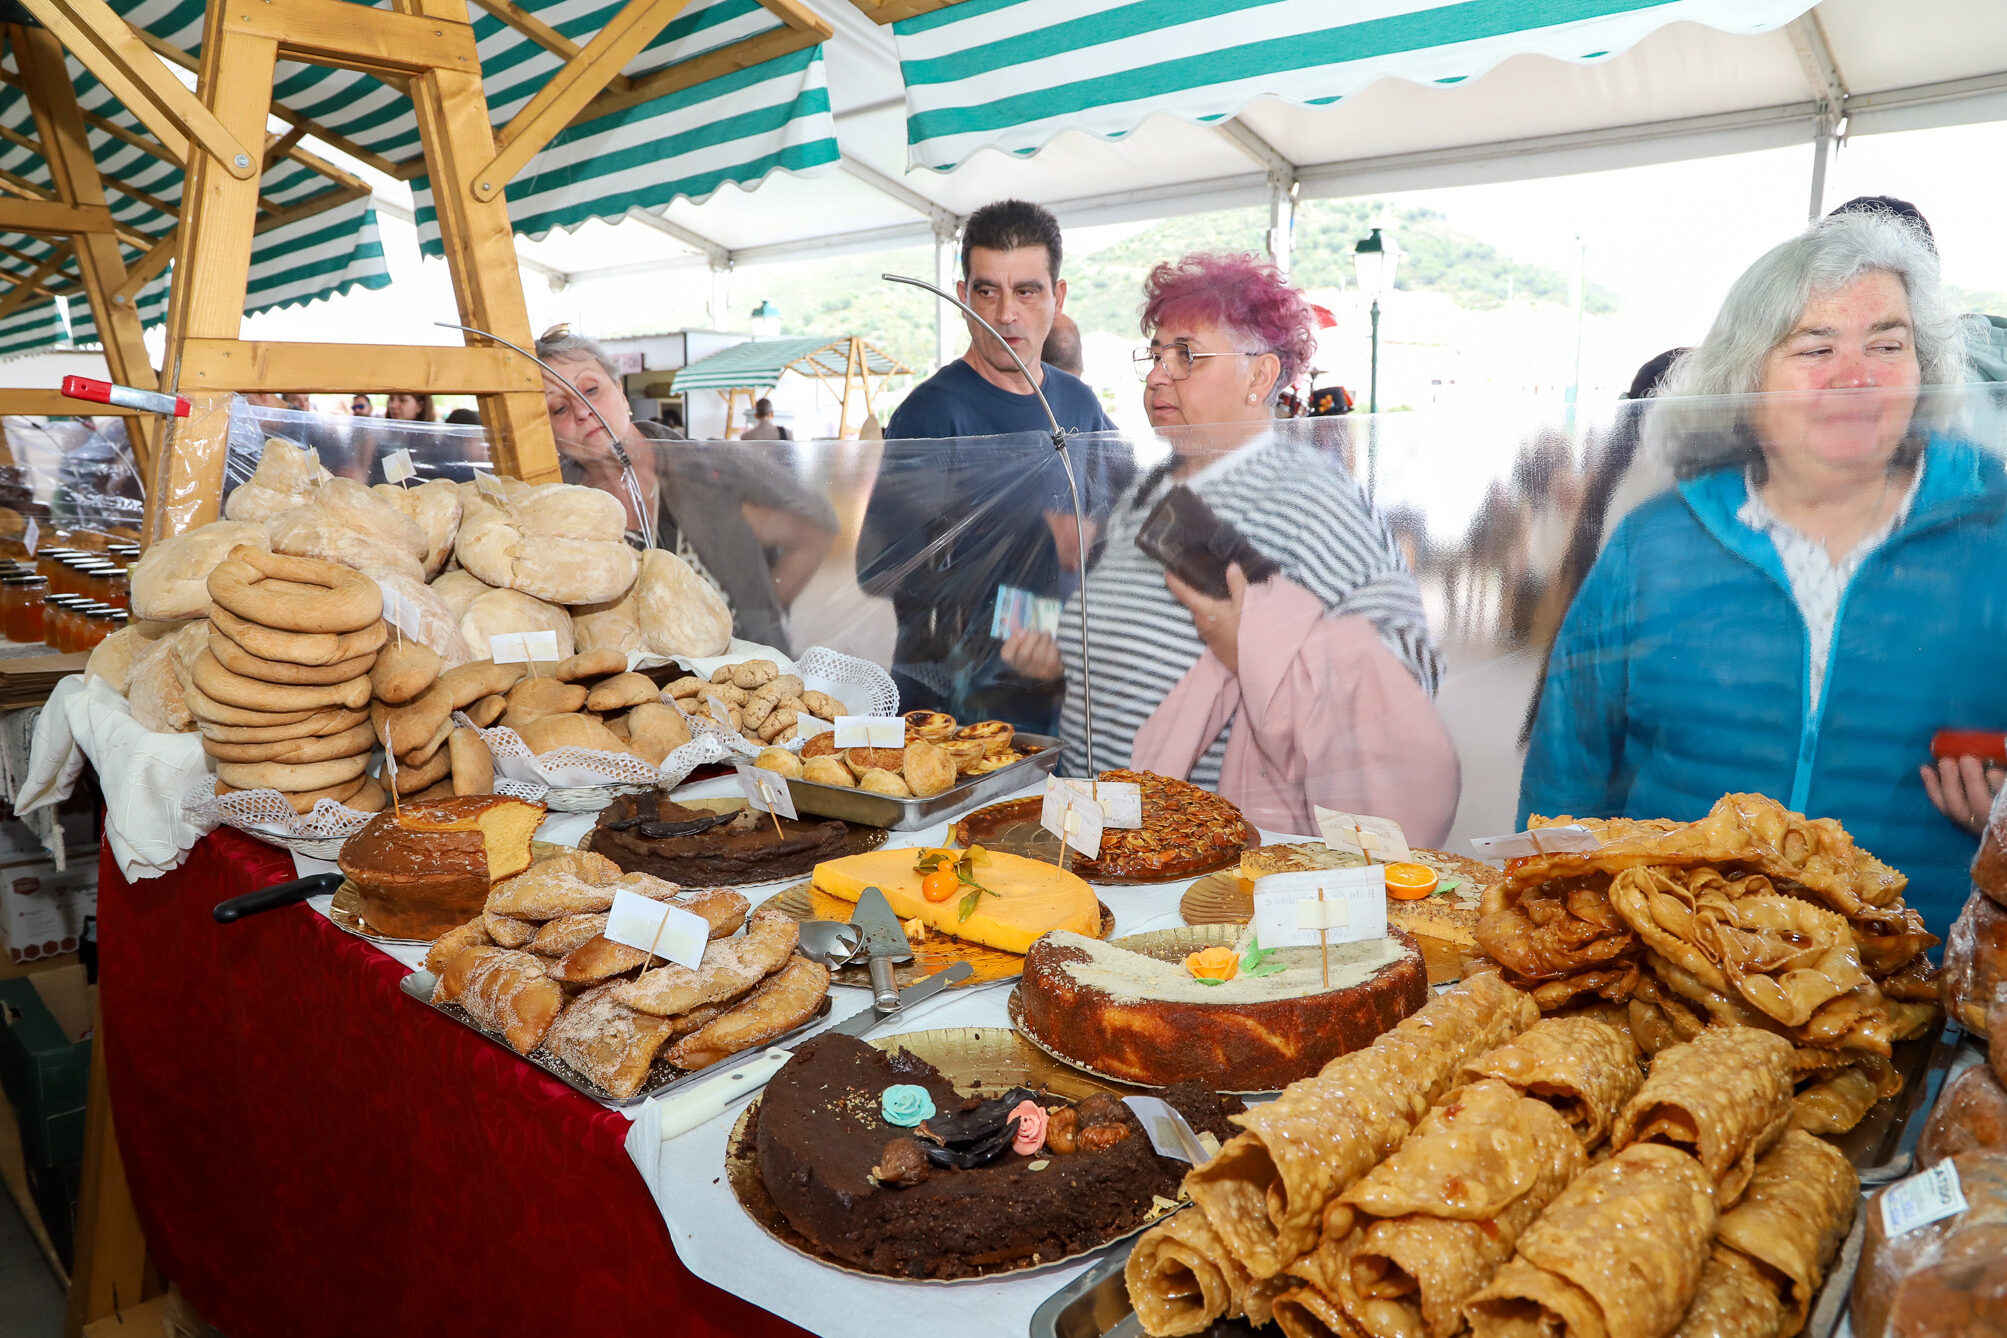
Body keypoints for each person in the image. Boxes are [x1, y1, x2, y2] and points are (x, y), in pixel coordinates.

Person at [1520, 210, 2007, 933]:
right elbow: (1568, 770)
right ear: (1747, 379)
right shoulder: (1653, 544)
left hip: (1916, 994)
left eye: (1887, 343)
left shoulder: (1994, 538)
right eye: (1815, 348)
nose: (1856, 377)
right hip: (1678, 974)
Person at [1001, 252, 1458, 840]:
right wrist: (1063, 656)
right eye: (1157, 353)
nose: (1158, 375)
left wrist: (1255, 648)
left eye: (1187, 354)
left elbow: (1412, 673)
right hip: (1101, 831)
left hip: (1205, 855)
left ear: (1260, 377)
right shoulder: (1153, 484)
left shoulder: (1306, 495)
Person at [857, 199, 1129, 732]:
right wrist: (1035, 619)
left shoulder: (1080, 404)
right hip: (956, 712)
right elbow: (882, 569)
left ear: (1058, 296)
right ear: (962, 297)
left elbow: (1129, 522)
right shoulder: (934, 413)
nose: (1006, 314)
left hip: (1064, 704)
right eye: (988, 291)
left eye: (1027, 291)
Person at [536, 327, 838, 653]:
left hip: (742, 675)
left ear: (621, 392)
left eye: (591, 389)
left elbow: (816, 526)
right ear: (547, 429)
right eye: (559, 409)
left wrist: (758, 618)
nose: (582, 410)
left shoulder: (712, 468)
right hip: (635, 690)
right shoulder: (554, 510)